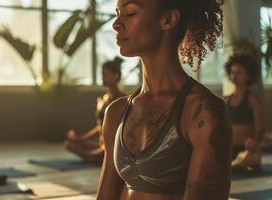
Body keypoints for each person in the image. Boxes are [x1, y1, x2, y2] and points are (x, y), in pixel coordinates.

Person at [96, 0, 232, 199]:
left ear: (168, 20)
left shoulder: (203, 112)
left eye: (130, 13)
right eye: (117, 13)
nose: (116, 24)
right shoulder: (116, 112)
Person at [66, 57, 125, 163]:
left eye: (105, 75)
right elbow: (100, 128)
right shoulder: (101, 99)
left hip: (113, 147)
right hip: (101, 145)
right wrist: (80, 139)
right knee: (70, 145)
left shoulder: (122, 100)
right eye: (102, 74)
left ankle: (97, 156)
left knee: (103, 152)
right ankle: (94, 156)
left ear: (116, 75)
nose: (102, 77)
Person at [224, 53, 264, 170]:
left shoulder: (253, 100)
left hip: (247, 150)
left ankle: (233, 165)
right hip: (228, 149)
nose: (234, 76)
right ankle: (233, 164)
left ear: (247, 75)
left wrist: (254, 144)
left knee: (252, 159)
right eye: (232, 72)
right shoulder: (225, 100)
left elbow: (260, 129)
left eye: (239, 72)